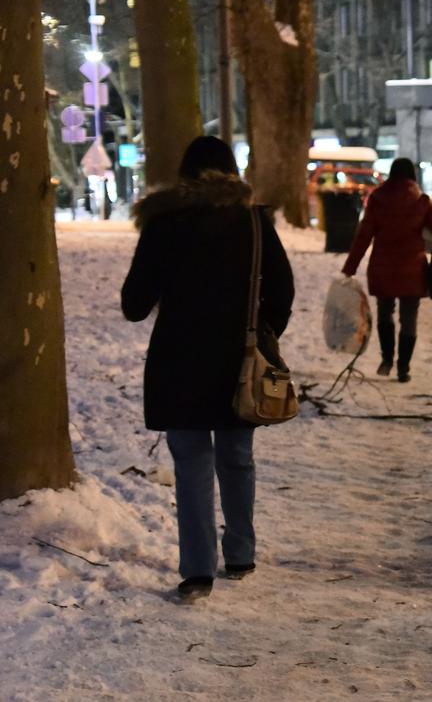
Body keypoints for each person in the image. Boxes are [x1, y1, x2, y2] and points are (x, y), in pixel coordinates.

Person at [121, 136, 295, 601]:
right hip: (238, 359)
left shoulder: (163, 224)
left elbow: (134, 305)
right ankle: (240, 552)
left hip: (179, 361)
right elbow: (282, 291)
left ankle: (198, 571)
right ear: (232, 174)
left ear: (184, 175)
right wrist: (260, 334)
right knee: (237, 457)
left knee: (192, 464)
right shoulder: (254, 224)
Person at [343, 158, 432, 382]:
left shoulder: (377, 199)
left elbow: (364, 235)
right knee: (409, 317)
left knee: (385, 312)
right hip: (413, 269)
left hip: (383, 267)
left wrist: (351, 266)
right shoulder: (422, 201)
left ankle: (386, 359)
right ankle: (404, 368)